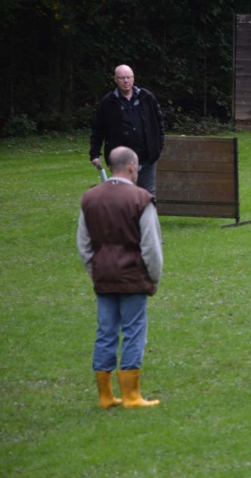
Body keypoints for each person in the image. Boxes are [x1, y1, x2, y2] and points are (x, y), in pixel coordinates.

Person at [77, 146, 163, 409]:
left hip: (103, 276)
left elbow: (83, 244)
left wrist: (96, 273)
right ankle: (131, 396)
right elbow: (151, 245)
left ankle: (105, 396)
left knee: (105, 332)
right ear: (132, 166)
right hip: (133, 277)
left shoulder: (90, 198)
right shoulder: (141, 198)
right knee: (134, 331)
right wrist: (154, 279)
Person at [89, 64, 165, 197]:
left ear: (133, 78)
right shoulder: (108, 102)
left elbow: (159, 122)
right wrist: (95, 154)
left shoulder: (146, 97)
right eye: (122, 78)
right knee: (122, 195)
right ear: (115, 79)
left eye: (128, 77)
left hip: (146, 156)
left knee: (147, 194)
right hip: (120, 159)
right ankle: (124, 218)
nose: (126, 81)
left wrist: (159, 146)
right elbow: (98, 129)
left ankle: (147, 218)